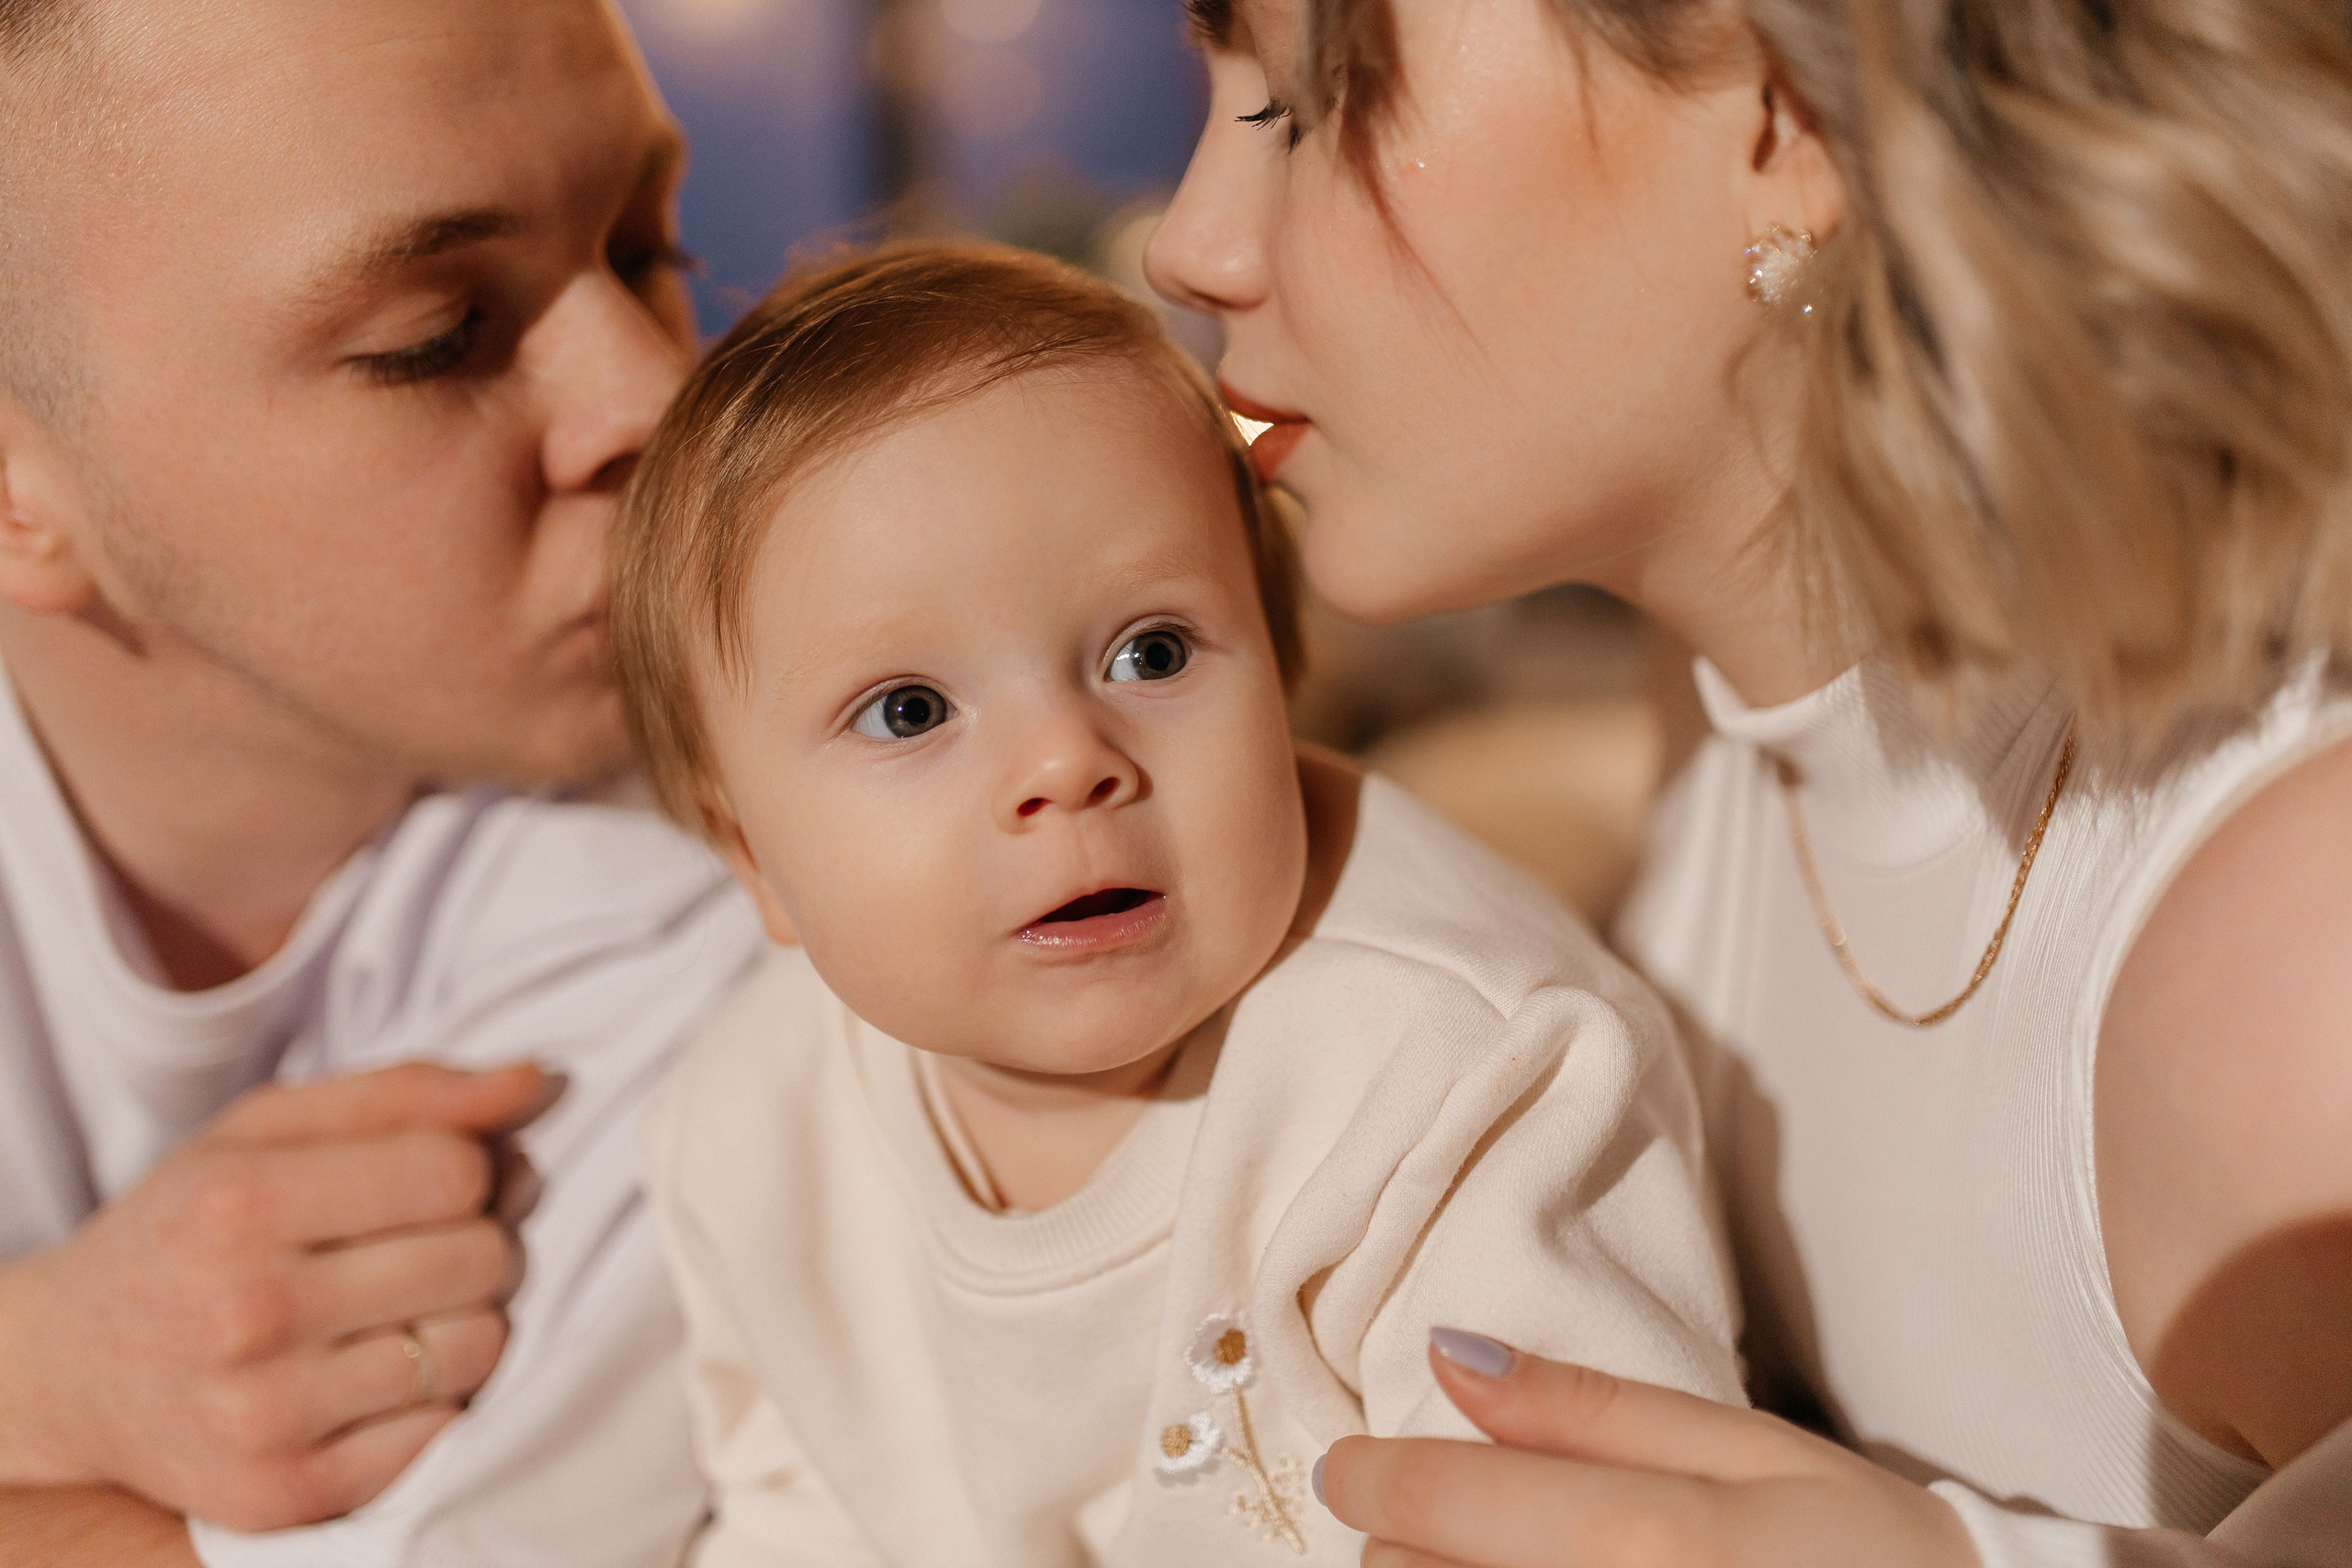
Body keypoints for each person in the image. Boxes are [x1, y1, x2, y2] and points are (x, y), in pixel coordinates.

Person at [1144, 0, 2352, 1564]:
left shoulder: (2277, 964)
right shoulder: (1720, 714)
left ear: (1782, 114)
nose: (1187, 243)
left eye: (1302, 101)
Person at [611, 242, 1742, 1566]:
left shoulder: (1464, 1065)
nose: (1066, 763)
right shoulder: (749, 1120)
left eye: (1150, 652)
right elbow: (790, 1513)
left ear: (1284, 676)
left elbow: (1592, 1520)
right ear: (751, 856)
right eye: (909, 710)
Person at [0, 1, 763, 1563]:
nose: (657, 403)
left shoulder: (746, 883)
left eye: (646, 251)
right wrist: (35, 1376)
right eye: (436, 338)